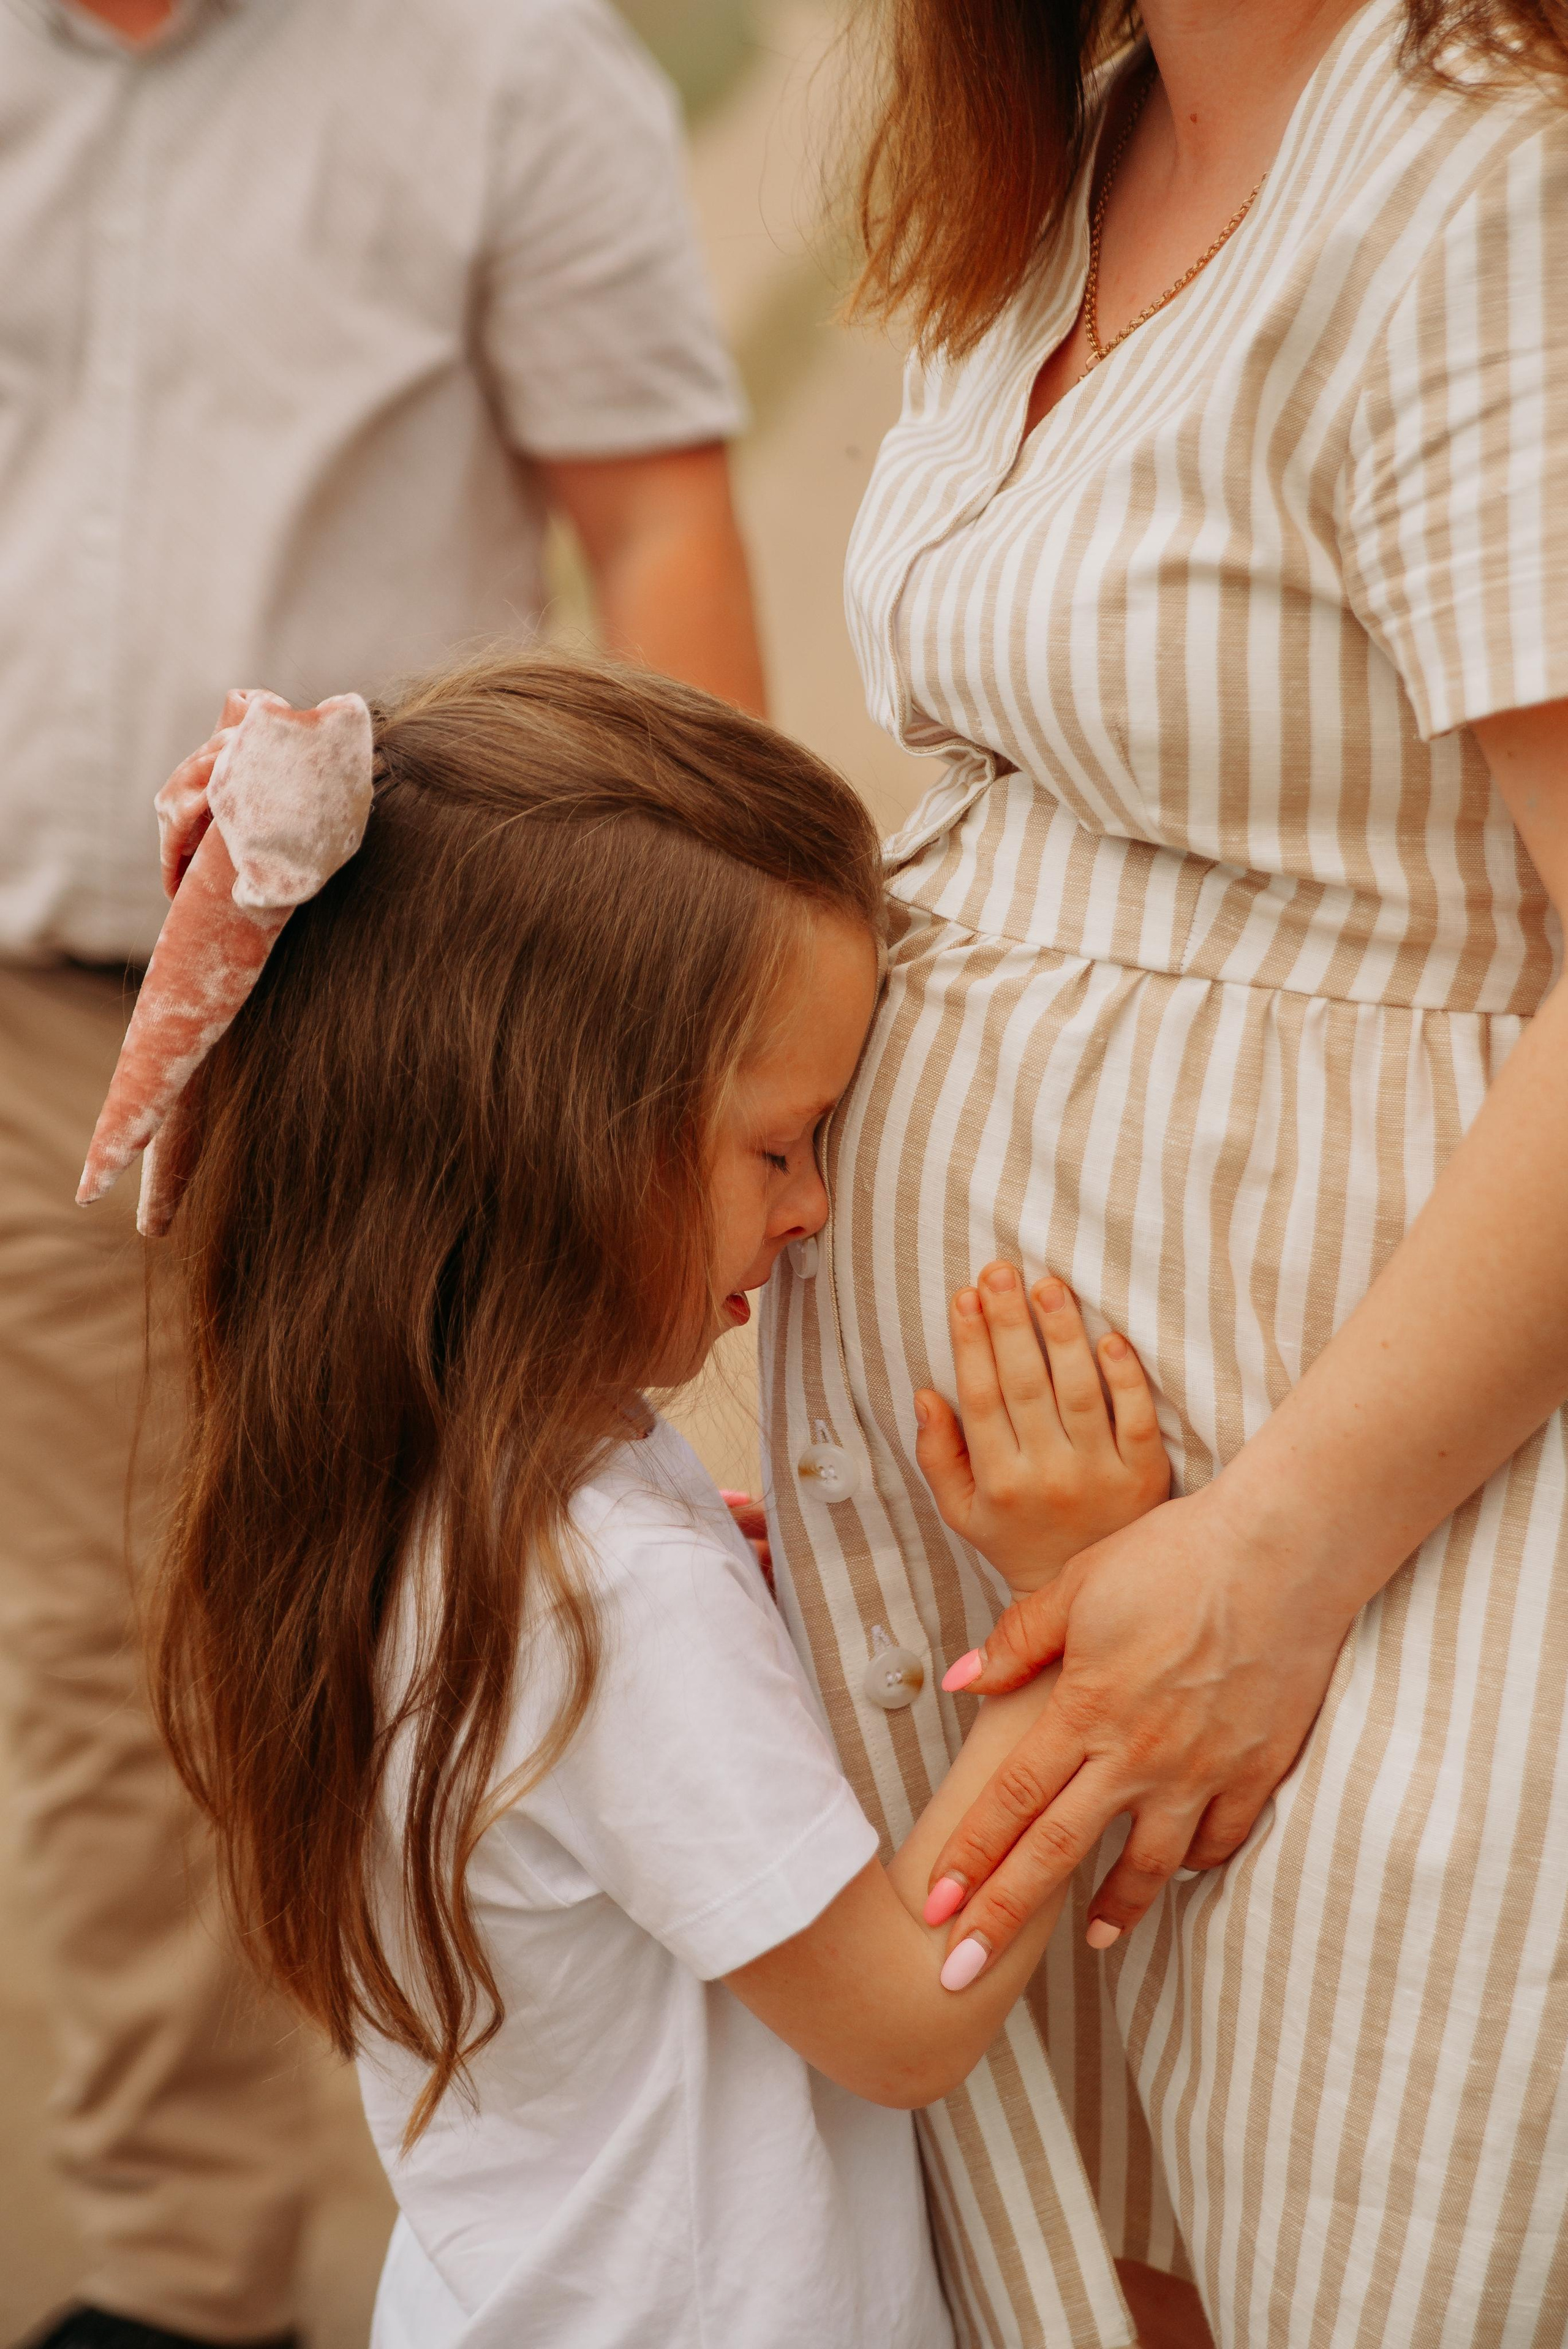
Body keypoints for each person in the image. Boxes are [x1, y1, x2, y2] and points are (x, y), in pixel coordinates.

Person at [760, 0, 1568, 2343]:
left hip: (1369, 1536)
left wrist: (1276, 1559)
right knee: (1102, 2276)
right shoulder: (1069, 155)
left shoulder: (1482, 180)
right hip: (1043, 1553)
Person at [78, 654, 1175, 2349]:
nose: (815, 1208)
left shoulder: (424, 1486)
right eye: (779, 1146)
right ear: (549, 1140)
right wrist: (1076, 1617)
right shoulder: (605, 1589)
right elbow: (905, 2018)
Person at [1, 0, 763, 2340]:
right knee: (101, 1667)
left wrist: (689, 1025)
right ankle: (191, 2278)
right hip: (42, 1025)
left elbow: (655, 516)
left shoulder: (507, 61)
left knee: (486, 1614)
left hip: (404, 1039)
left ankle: (571, 2252)